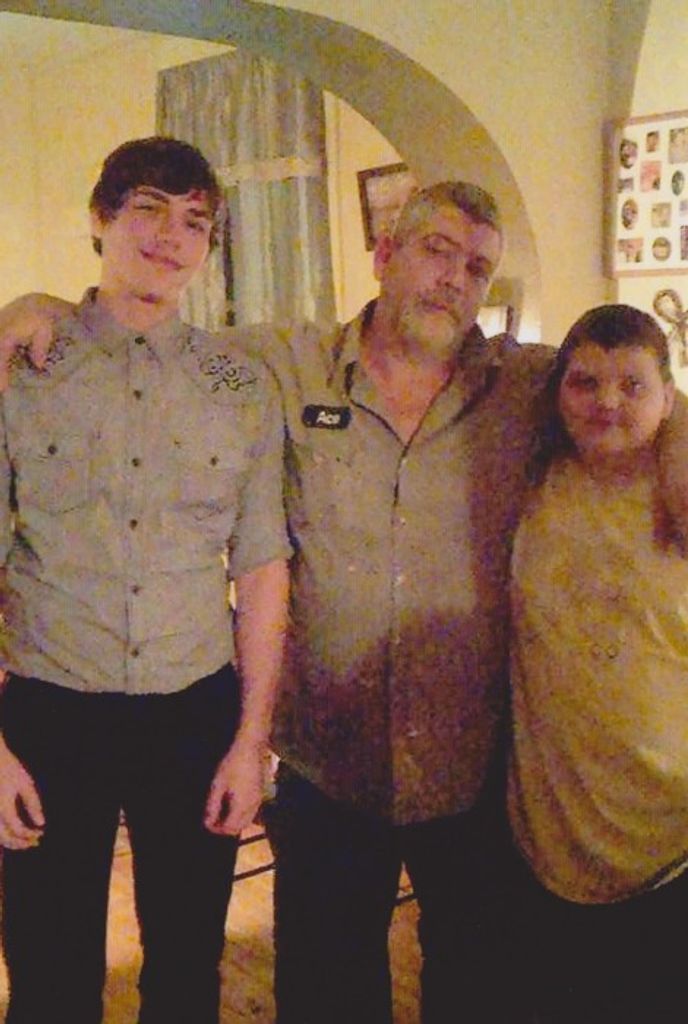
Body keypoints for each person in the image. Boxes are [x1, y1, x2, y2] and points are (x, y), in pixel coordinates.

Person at [3, 186, 688, 1024]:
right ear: (385, 254)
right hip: (329, 772)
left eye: (477, 267)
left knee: (479, 997)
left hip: (472, 778)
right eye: (437, 250)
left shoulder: (528, 383)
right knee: (326, 1001)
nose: (455, 279)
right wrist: (39, 307)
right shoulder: (282, 364)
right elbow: (148, 334)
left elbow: (631, 391)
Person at [0, 137, 290, 1024]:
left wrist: (252, 741)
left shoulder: (241, 387)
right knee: (48, 981)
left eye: (195, 221)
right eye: (149, 210)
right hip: (49, 709)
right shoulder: (20, 370)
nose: (171, 236)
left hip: (193, 712)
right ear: (100, 219)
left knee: (187, 974)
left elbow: (262, 567)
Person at [507, 304, 688, 1023]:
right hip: (544, 845)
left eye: (631, 385)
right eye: (585, 382)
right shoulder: (529, 483)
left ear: (667, 397)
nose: (607, 402)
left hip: (670, 846)